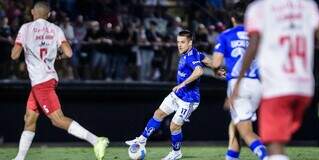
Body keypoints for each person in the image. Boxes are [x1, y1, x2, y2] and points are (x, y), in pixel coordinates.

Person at [10, 2, 108, 160]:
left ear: (32, 12)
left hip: (41, 82)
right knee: (29, 118)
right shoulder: (56, 29)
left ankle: (96, 140)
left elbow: (14, 55)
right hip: (47, 79)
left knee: (57, 120)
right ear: (48, 15)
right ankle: (20, 158)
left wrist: (23, 49)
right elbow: (68, 53)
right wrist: (57, 55)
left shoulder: (26, 28)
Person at [228, 0, 319, 160]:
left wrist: (238, 81)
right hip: (305, 87)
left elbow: (254, 44)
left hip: (277, 86)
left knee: (274, 145)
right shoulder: (308, 6)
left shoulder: (258, 8)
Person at [125, 30, 205, 160]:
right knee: (158, 113)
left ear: (190, 43)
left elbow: (199, 71)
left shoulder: (191, 56)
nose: (179, 45)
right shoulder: (193, 53)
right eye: (178, 42)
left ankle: (176, 152)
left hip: (189, 99)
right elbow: (205, 59)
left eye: (182, 42)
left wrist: (182, 84)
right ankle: (142, 140)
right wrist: (216, 68)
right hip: (178, 95)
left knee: (174, 126)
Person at [203, 2, 268, 160]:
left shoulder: (226, 35)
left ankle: (266, 155)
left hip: (239, 85)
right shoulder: (258, 35)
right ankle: (231, 157)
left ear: (232, 18)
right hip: (258, 85)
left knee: (246, 131)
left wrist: (211, 66)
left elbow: (217, 63)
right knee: (236, 124)